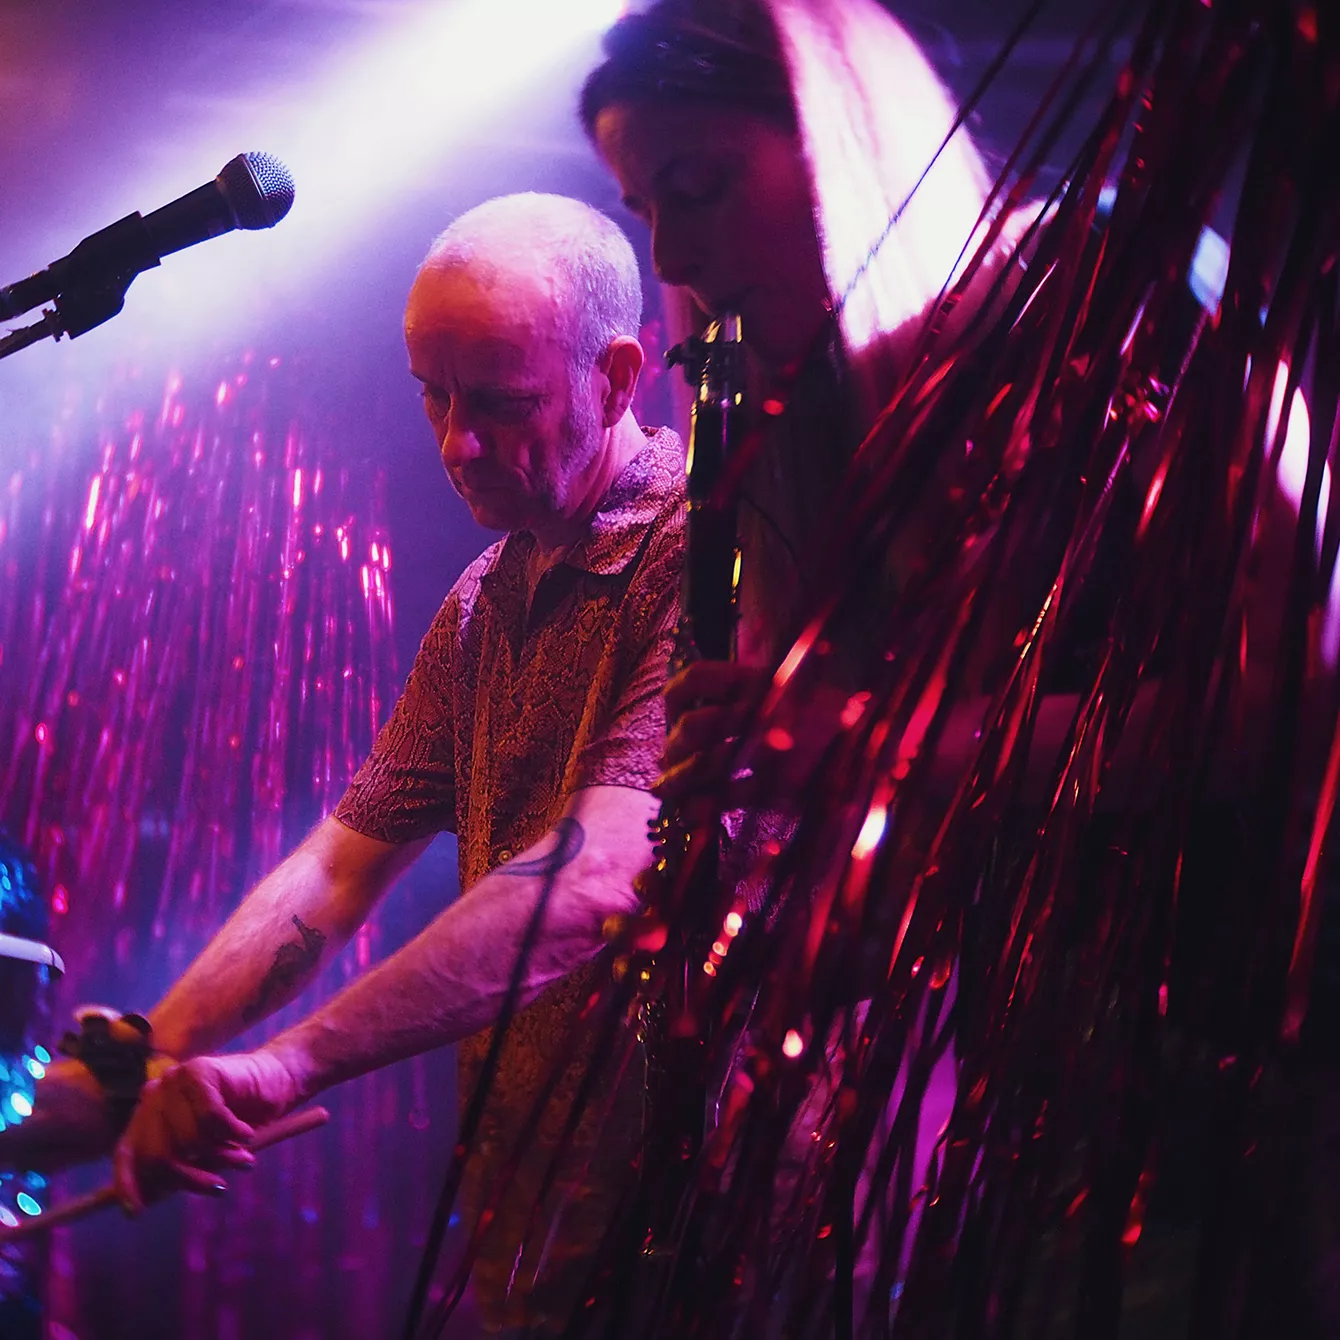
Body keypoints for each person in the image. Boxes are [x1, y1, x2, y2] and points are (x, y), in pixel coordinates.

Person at [17, 191, 685, 1337]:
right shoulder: (483, 599)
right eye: (433, 395)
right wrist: (147, 1060)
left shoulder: (697, 552)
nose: (455, 443)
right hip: (538, 1238)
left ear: (616, 377)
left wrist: (286, 1064)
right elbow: (334, 870)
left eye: (499, 402)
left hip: (708, 1230)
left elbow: (591, 883)